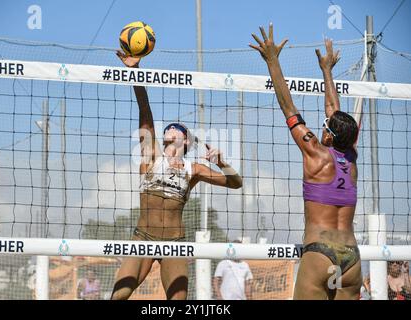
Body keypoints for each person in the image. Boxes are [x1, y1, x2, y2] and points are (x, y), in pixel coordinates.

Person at [111, 51, 243, 300]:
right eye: (168, 129)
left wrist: (223, 162)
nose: (171, 130)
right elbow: (144, 107)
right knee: (118, 296)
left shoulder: (194, 169)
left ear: (186, 140)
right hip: (143, 238)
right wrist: (135, 71)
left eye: (177, 129)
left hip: (175, 243)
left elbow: (236, 183)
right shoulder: (151, 155)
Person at [250, 24, 361, 299]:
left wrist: (272, 61)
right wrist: (327, 71)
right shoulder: (352, 155)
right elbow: (334, 112)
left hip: (319, 254)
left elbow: (288, 106)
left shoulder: (314, 152)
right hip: (351, 259)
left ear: (328, 134)